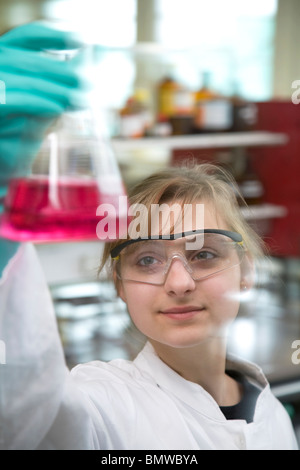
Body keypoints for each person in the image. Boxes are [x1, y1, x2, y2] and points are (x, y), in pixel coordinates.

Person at [0, 23, 298, 451]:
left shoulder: (274, 417)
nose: (179, 283)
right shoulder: (100, 405)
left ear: (247, 269)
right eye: (147, 260)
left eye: (205, 254)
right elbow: (18, 419)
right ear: (118, 283)